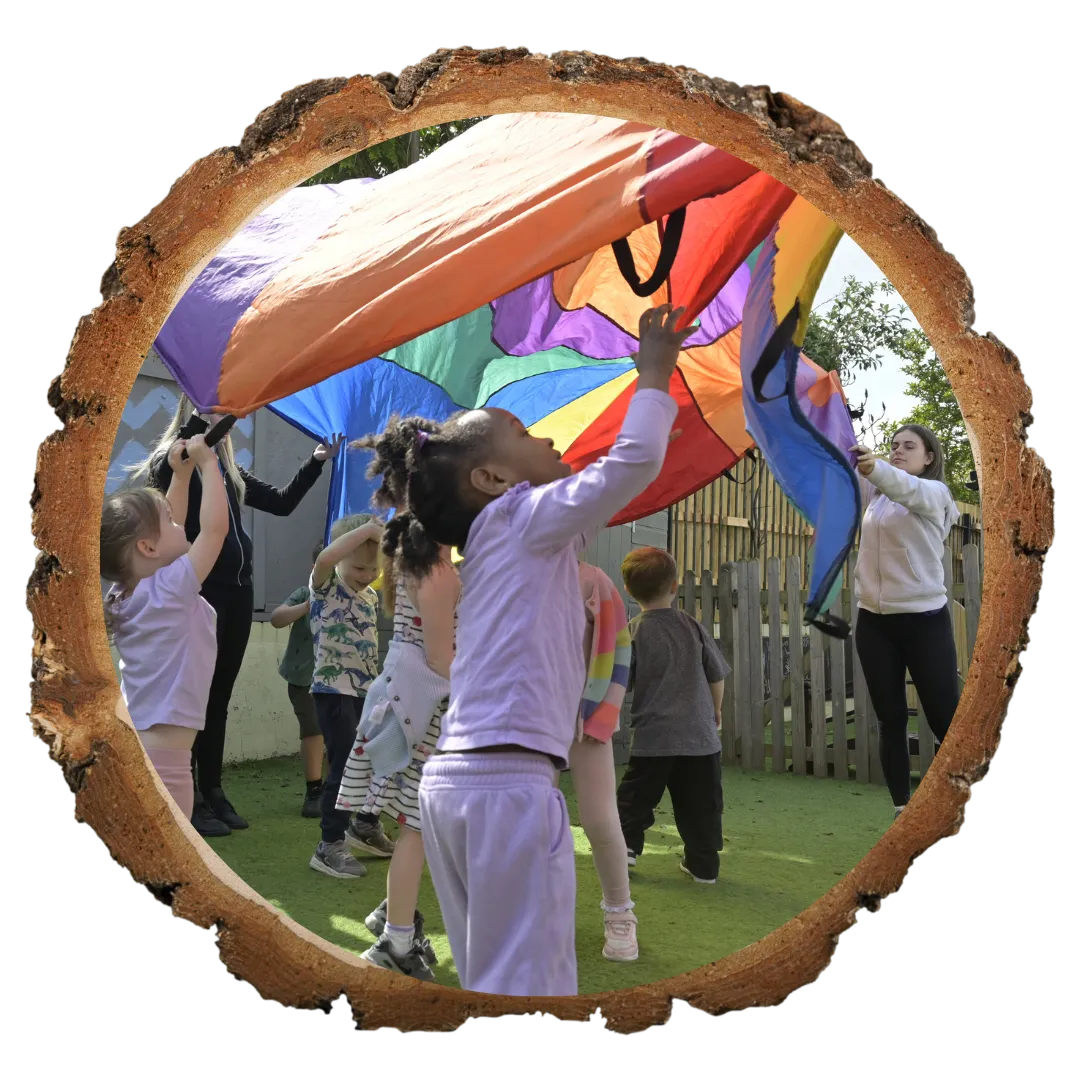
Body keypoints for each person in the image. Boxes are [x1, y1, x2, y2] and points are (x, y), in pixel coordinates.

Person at [369, 303, 690, 997]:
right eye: (520, 430)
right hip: (507, 788)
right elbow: (633, 461)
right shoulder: (522, 517)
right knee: (533, 988)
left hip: (452, 787)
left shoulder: (490, 544)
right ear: (492, 480)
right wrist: (655, 373)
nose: (542, 432)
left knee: (491, 977)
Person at [132, 393, 343, 837]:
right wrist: (201, 426)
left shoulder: (229, 471)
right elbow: (177, 477)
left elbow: (284, 503)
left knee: (219, 697)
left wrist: (317, 460)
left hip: (238, 594)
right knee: (196, 696)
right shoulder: (174, 459)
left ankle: (213, 790)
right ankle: (187, 792)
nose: (222, 417)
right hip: (201, 592)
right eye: (210, 405)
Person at [334, 468, 461, 981]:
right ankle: (396, 940)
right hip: (422, 713)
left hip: (413, 704)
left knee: (419, 828)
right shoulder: (434, 570)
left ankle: (396, 912)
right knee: (416, 829)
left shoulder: (422, 560)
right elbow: (443, 658)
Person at [101, 433, 228, 820]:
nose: (180, 523)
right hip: (165, 764)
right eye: (172, 522)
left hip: (136, 745)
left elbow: (165, 528)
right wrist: (209, 465)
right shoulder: (171, 589)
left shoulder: (124, 596)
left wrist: (182, 476)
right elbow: (214, 531)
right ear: (148, 548)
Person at [849, 426, 960, 818]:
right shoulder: (876, 499)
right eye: (893, 446)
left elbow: (905, 488)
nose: (898, 451)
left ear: (928, 457)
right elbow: (842, 483)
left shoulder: (935, 495)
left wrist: (875, 466)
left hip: (924, 622)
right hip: (874, 623)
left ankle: (958, 801)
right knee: (891, 719)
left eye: (908, 446)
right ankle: (901, 808)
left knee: (945, 719)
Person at [616, 546, 729, 886]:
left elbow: (619, 681)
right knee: (702, 806)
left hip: (654, 737)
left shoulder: (632, 631)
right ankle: (703, 865)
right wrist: (715, 710)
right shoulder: (693, 627)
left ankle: (625, 849)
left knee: (634, 799)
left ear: (628, 590)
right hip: (699, 737)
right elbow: (717, 674)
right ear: (675, 586)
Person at [308, 513, 395, 879]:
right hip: (333, 691)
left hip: (366, 693)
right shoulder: (326, 586)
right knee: (343, 765)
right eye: (358, 567)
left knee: (381, 759)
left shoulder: (371, 596)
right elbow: (325, 559)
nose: (366, 575)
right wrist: (369, 531)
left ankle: (365, 824)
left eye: (372, 569)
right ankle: (329, 844)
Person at [570, 556, 638, 962]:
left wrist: (599, 713)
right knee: (527, 819)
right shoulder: (508, 573)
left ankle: (620, 913)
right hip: (526, 719)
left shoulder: (593, 581)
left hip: (585, 718)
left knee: (599, 819)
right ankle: (531, 913)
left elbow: (619, 651)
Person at [270, 541, 328, 819]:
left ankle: (335, 788)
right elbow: (277, 618)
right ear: (314, 567)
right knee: (313, 731)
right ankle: (314, 788)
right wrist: (307, 606)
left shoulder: (351, 596)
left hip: (339, 678)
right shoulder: (305, 593)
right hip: (304, 678)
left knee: (339, 733)